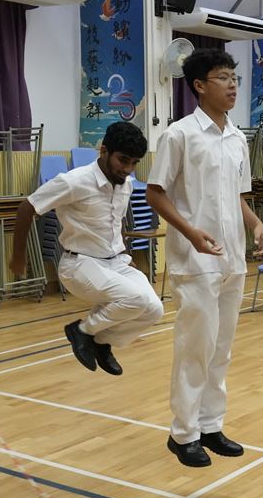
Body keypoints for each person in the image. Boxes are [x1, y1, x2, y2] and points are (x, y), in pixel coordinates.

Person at [148, 49, 263, 467]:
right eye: (223, 77)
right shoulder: (178, 135)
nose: (233, 84)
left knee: (221, 348)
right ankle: (183, 433)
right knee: (195, 348)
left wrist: (255, 223)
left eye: (235, 77)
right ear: (200, 85)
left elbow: (236, 196)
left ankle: (210, 425)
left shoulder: (237, 138)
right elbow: (155, 193)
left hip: (232, 258)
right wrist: (190, 232)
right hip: (194, 259)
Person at [9, 122, 162, 377]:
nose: (128, 169)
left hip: (115, 262)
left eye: (134, 163)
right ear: (104, 151)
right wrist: (18, 256)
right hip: (79, 265)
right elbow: (27, 208)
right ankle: (81, 331)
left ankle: (101, 341)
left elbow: (114, 223)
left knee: (154, 309)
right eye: (123, 160)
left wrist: (123, 253)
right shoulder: (75, 181)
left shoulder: (125, 184)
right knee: (135, 299)